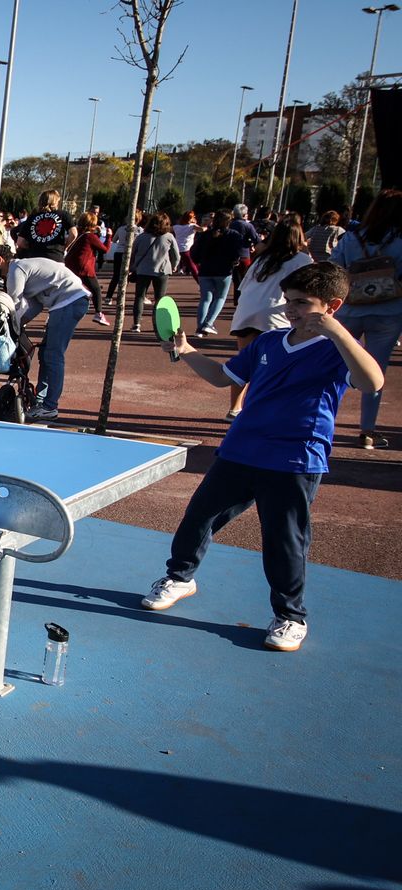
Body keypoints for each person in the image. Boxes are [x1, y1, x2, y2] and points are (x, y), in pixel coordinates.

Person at [143, 263, 383, 652]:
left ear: (332, 306)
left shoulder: (338, 351)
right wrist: (185, 350)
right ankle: (180, 578)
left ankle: (290, 616)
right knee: (200, 516)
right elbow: (224, 378)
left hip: (294, 459)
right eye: (288, 301)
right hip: (241, 449)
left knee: (283, 540)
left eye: (302, 303)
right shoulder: (269, 343)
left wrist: (338, 333)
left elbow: (373, 382)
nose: (291, 310)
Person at [328, 189, 402, 449]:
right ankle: (367, 431)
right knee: (374, 370)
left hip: (350, 307)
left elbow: (334, 267)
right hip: (389, 310)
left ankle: (322, 418)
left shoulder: (352, 237)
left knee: (334, 363)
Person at [0, 243, 91, 422]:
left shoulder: (16, 269)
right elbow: (36, 305)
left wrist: (7, 324)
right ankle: (42, 401)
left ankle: (49, 406)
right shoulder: (26, 269)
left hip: (68, 300)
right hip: (69, 300)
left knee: (54, 355)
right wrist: (19, 324)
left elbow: (14, 301)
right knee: (46, 354)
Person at [227, 216, 312, 420]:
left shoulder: (262, 258)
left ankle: (234, 409)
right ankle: (260, 409)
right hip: (275, 316)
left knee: (245, 364)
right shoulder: (302, 260)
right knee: (273, 367)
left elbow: (243, 287)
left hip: (247, 313)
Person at [130, 212, 181, 331]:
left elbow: (133, 253)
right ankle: (157, 324)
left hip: (143, 270)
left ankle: (136, 323)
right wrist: (173, 266)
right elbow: (176, 255)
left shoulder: (141, 237)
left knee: (139, 297)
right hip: (162, 271)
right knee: (160, 299)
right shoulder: (169, 237)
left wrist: (133, 267)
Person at [65, 211, 111, 326]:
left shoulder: (78, 233)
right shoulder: (90, 236)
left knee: (70, 290)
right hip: (84, 267)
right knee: (96, 289)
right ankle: (98, 313)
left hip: (70, 264)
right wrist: (109, 236)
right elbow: (104, 249)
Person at [14, 190, 76, 264]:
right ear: (55, 202)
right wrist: (64, 247)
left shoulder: (32, 217)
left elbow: (20, 242)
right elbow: (74, 233)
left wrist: (32, 247)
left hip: (34, 259)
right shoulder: (63, 215)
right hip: (55, 258)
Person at [172, 210, 200, 277]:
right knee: (192, 266)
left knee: (194, 265)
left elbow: (166, 229)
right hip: (187, 249)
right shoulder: (192, 226)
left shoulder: (176, 227)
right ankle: (201, 282)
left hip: (177, 249)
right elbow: (202, 229)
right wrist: (206, 226)